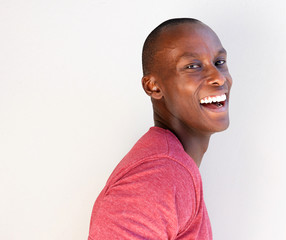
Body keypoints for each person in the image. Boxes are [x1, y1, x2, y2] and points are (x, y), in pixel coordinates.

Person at [88, 18, 232, 240]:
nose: (218, 77)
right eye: (192, 66)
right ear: (153, 86)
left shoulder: (174, 168)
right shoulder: (159, 175)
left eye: (219, 62)